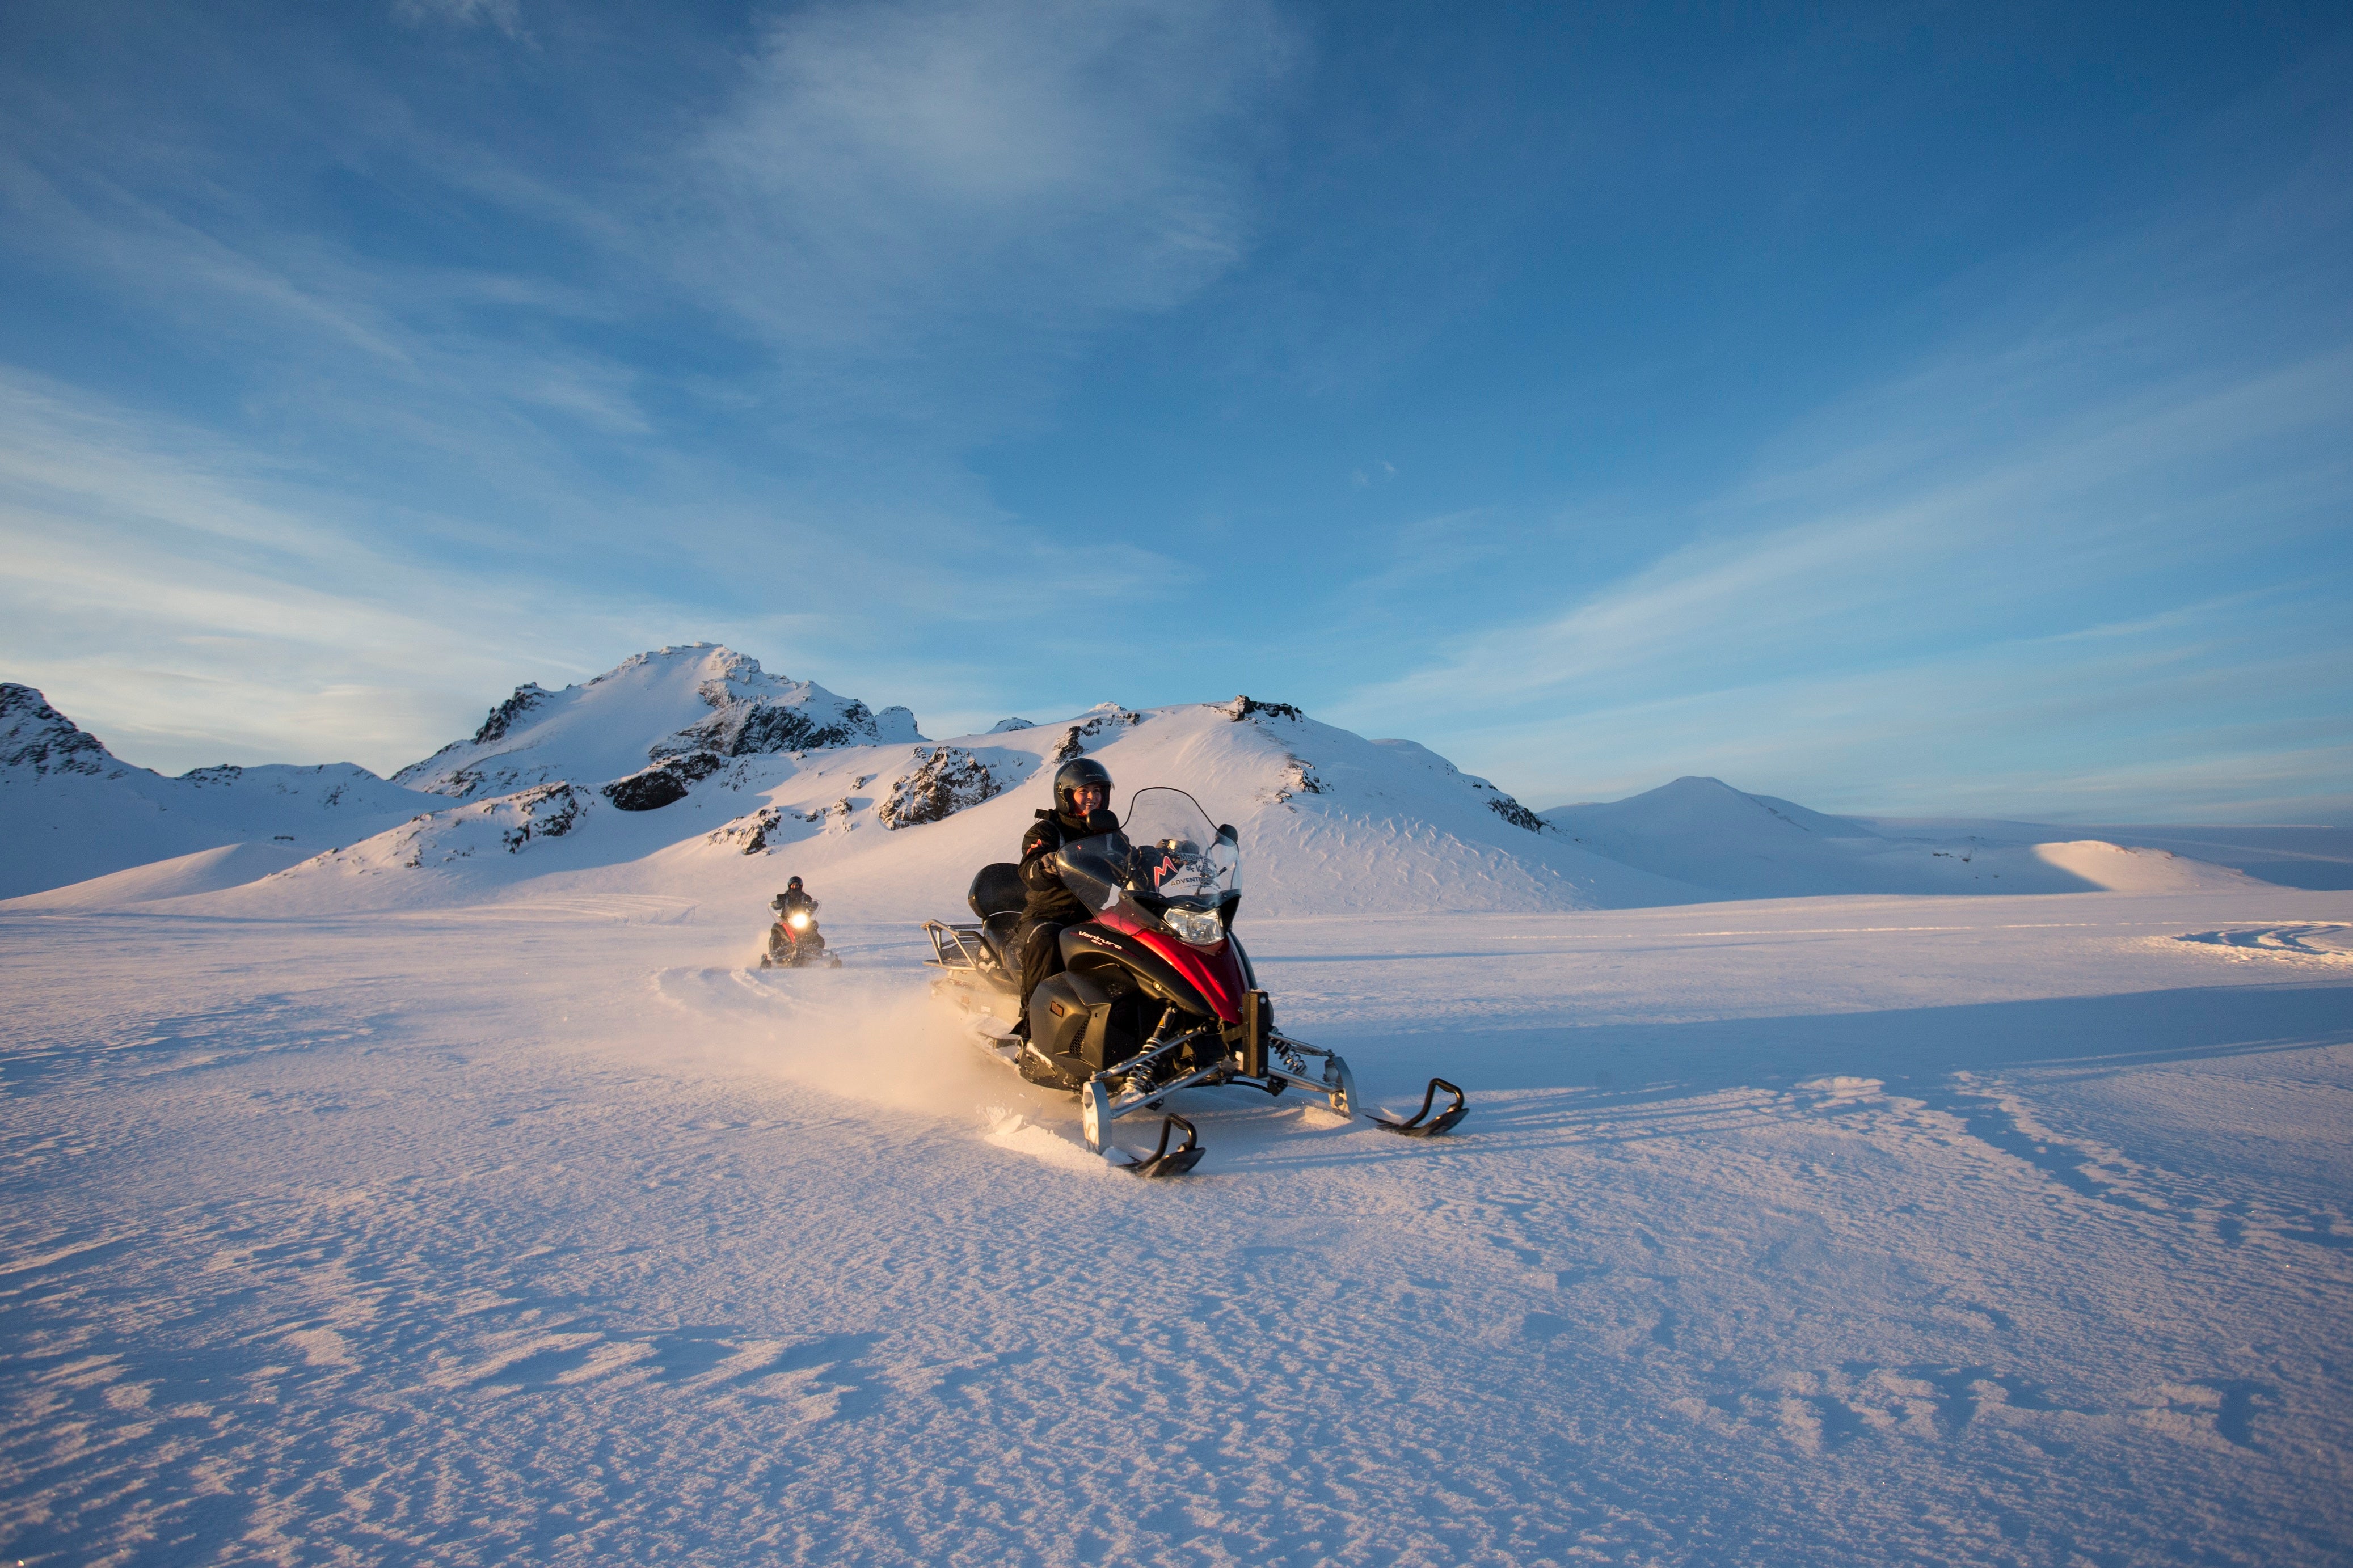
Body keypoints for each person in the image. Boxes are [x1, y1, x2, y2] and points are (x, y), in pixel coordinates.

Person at [1011, 758, 1117, 1034]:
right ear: (1067, 795)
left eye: (1098, 791)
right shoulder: (1047, 830)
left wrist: (1164, 859)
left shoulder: (1107, 832)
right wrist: (1045, 866)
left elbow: (1128, 865)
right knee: (1046, 941)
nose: (1093, 798)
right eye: (1085, 791)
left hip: (1090, 917)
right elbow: (1029, 871)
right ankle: (1033, 1028)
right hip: (1048, 916)